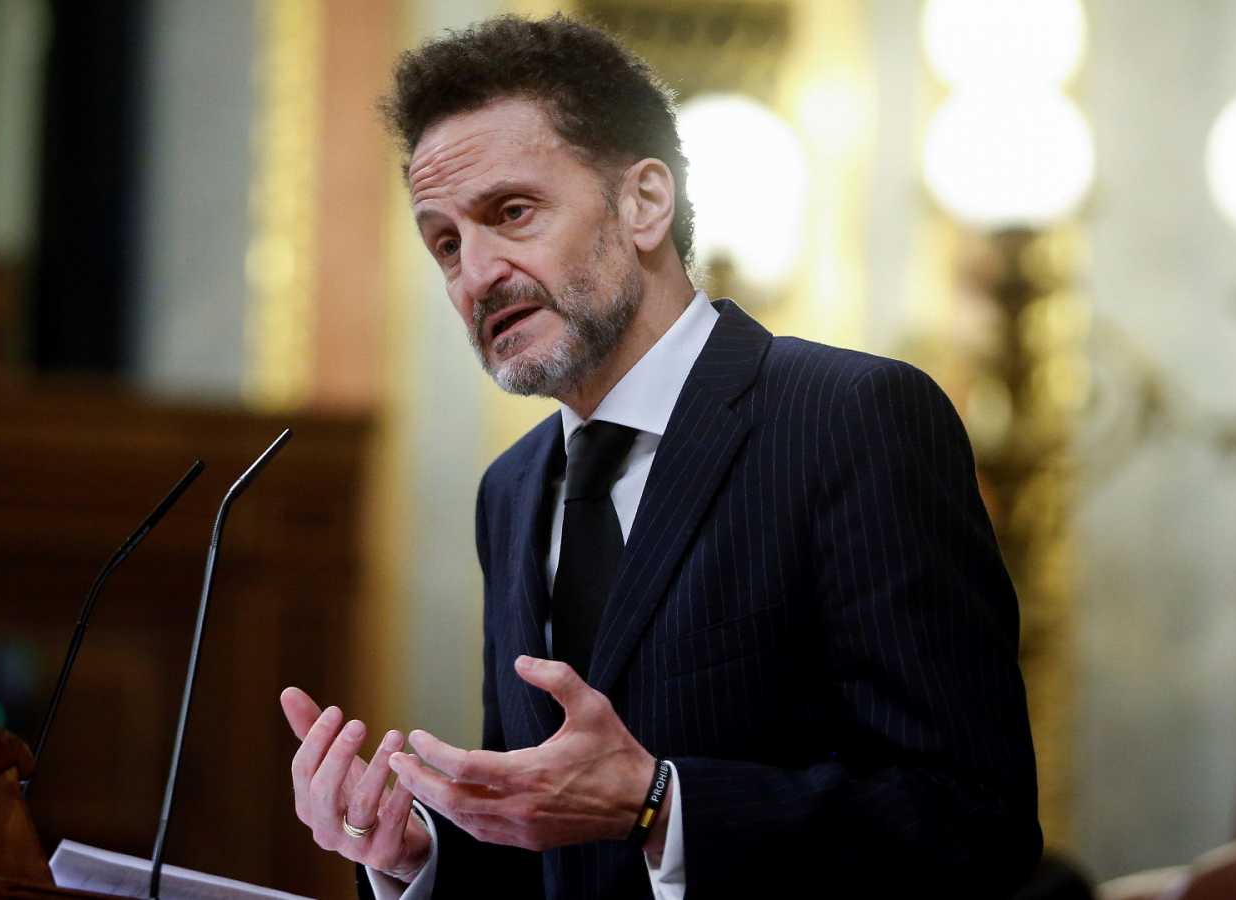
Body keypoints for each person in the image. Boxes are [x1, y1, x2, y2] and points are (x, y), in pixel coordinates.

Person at [280, 13, 1041, 900]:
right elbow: (555, 850)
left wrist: (661, 805)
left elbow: (973, 822)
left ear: (644, 203)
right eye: (446, 243)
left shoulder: (850, 418)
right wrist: (418, 854)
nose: (476, 274)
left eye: (512, 213)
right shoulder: (511, 491)